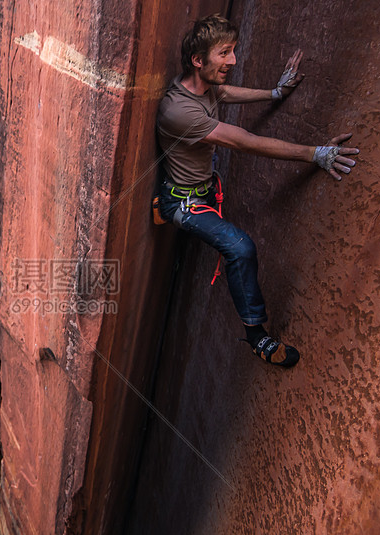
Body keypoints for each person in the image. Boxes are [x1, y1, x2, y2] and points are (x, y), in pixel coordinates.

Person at [153, 14, 359, 367]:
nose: (233, 61)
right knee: (240, 247)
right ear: (198, 60)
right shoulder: (178, 111)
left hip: (201, 188)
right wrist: (316, 153)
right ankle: (257, 337)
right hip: (183, 203)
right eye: (225, 54)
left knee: (236, 243)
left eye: (234, 51)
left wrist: (275, 92)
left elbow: (224, 93)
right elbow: (246, 142)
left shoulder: (199, 86)